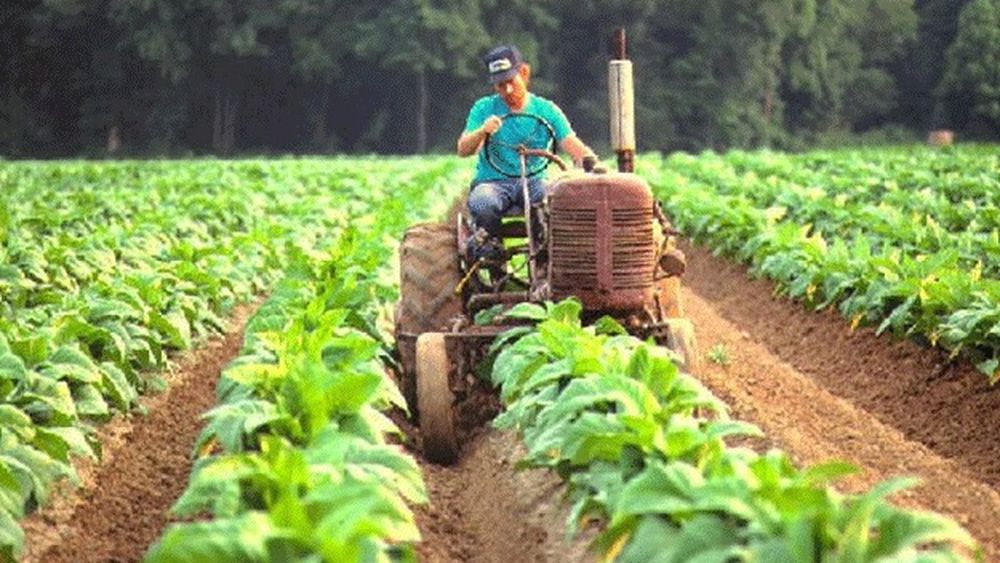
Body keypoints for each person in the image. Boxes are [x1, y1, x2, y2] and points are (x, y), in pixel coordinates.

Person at [457, 44, 597, 266]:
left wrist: (593, 164)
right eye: (500, 86)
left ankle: (545, 256)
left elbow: (571, 144)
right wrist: (482, 131)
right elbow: (464, 149)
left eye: (511, 82)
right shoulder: (483, 108)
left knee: (548, 200)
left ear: (524, 73)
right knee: (483, 202)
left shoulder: (546, 110)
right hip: (493, 182)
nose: (507, 91)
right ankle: (490, 251)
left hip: (533, 180)